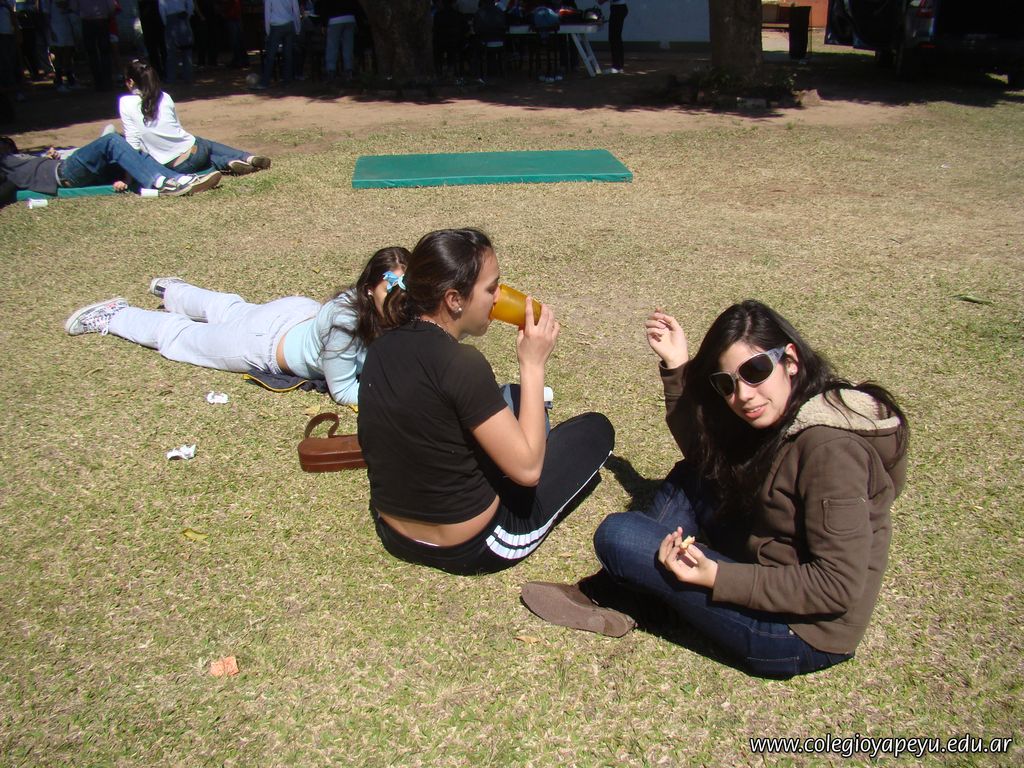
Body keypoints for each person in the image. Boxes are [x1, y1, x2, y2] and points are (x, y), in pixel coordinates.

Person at [521, 300, 909, 678]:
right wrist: (677, 366)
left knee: (618, 535)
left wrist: (716, 576)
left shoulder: (830, 449)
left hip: (797, 633)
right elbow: (710, 461)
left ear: (790, 360)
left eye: (755, 371)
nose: (744, 395)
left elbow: (835, 586)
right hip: (771, 558)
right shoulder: (794, 408)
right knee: (693, 476)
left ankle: (623, 592)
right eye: (728, 383)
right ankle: (641, 591)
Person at [357, 228, 615, 575]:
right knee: (595, 430)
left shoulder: (381, 347)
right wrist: (533, 364)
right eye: (492, 288)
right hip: (475, 544)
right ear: (454, 299)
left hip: (394, 534)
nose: (499, 297)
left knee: (514, 402)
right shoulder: (461, 363)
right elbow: (527, 472)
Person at [63, 247, 410, 406]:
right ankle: (115, 315)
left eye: (408, 293)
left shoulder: (409, 309)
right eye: (390, 291)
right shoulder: (346, 325)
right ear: (369, 289)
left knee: (229, 308)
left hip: (294, 315)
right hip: (262, 343)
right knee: (184, 338)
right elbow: (343, 390)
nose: (400, 302)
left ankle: (173, 291)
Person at [120, 58, 271, 175]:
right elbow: (177, 127)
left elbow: (133, 144)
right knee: (205, 147)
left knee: (199, 162)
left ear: (131, 82)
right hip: (195, 149)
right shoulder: (164, 96)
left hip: (178, 166)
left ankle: (228, 163)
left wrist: (129, 177)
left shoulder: (125, 103)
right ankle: (247, 157)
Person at [0, 133, 222, 195]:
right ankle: (163, 182)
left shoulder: (16, 159)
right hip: (64, 173)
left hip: (67, 167)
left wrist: (48, 157)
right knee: (110, 140)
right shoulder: (5, 165)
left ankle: (177, 179)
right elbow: (6, 186)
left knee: (126, 145)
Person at [72, 0, 117, 89]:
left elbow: (74, 6)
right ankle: (107, 81)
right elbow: (111, 6)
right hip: (101, 20)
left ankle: (98, 81)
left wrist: (82, 12)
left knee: (92, 52)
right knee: (104, 52)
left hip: (88, 21)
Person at [255, 0, 299, 89]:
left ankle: (265, 82)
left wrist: (268, 31)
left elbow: (267, 12)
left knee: (270, 55)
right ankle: (287, 80)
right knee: (288, 54)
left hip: (276, 25)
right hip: (289, 23)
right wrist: (297, 27)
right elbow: (296, 9)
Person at [158, 0, 193, 84]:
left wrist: (166, 22)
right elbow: (190, 4)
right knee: (186, 49)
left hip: (170, 18)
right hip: (183, 16)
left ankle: (171, 78)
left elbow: (161, 9)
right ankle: (188, 76)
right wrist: (188, 16)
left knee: (171, 52)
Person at [597, 0, 626, 73]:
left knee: (614, 38)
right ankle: (619, 65)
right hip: (617, 8)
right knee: (616, 37)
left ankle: (617, 66)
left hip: (618, 8)